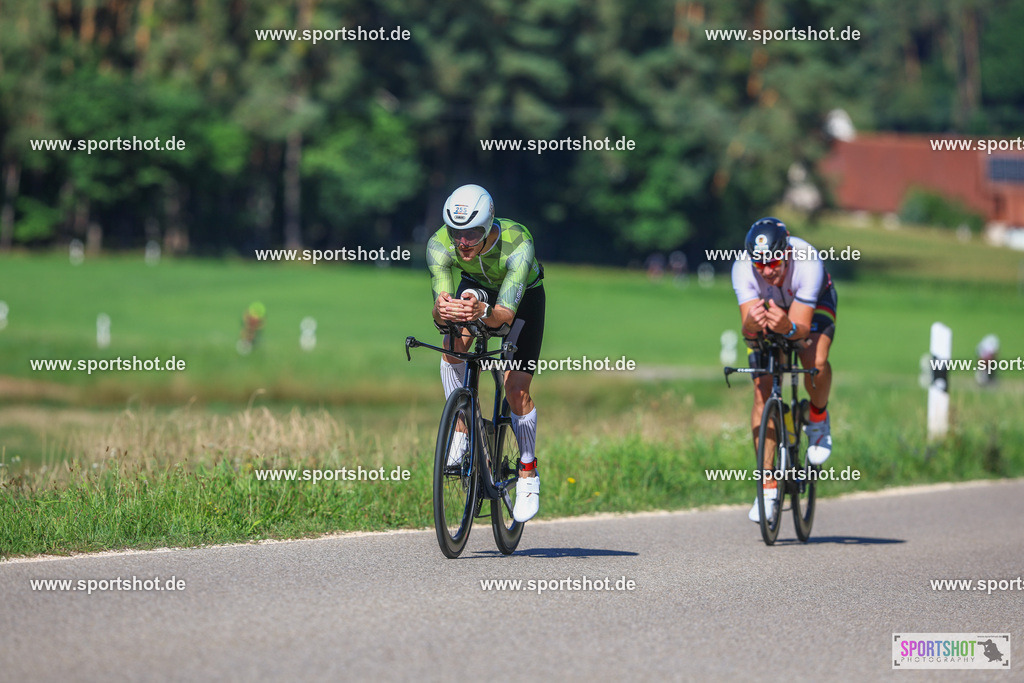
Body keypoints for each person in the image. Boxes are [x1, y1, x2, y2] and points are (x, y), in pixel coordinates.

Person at [427, 184, 545, 522]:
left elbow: (504, 316)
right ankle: (463, 425)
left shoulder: (518, 243)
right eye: (455, 232)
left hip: (522, 301)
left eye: (472, 233)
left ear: (489, 223)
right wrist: (443, 310)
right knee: (451, 346)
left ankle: (527, 471)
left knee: (515, 389)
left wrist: (481, 312)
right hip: (474, 286)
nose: (462, 241)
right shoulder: (439, 244)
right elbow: (440, 311)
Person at [731, 217, 837, 523]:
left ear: (787, 250)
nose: (767, 270)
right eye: (759, 264)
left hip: (811, 306)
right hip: (772, 311)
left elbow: (801, 333)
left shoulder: (807, 261)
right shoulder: (741, 268)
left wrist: (788, 326)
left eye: (774, 261)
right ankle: (767, 487)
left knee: (813, 360)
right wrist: (751, 329)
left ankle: (818, 421)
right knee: (762, 390)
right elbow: (749, 335)